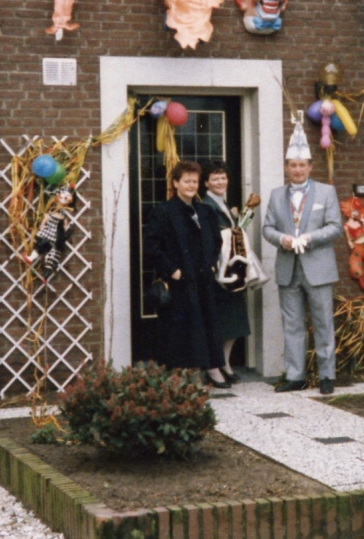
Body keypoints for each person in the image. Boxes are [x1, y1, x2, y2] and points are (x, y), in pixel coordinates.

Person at [262, 120, 342, 394]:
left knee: (323, 322)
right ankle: (296, 376)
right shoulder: (276, 195)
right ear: (287, 167)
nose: (297, 170)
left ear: (310, 166)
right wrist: (282, 239)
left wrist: (309, 237)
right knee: (292, 324)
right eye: (292, 165)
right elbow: (267, 228)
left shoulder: (326, 192)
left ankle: (327, 375)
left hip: (318, 268)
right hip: (288, 268)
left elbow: (335, 227)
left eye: (302, 165)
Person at [143, 160, 229, 388]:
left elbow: (217, 241)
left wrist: (212, 264)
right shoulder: (164, 211)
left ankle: (212, 367)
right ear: (175, 183)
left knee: (207, 323)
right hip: (180, 280)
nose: (191, 185)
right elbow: (151, 246)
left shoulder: (206, 211)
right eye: (187, 181)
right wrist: (172, 270)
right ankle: (184, 376)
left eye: (195, 181)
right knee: (182, 328)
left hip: (203, 279)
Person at [202, 160, 251, 383]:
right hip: (218, 271)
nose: (220, 182)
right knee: (219, 320)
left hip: (232, 268)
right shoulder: (205, 206)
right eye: (215, 178)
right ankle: (214, 366)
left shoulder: (224, 205)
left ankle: (225, 362)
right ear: (206, 183)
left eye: (223, 178)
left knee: (234, 319)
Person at [341, 196, 364, 290]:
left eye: (357, 211)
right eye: (354, 211)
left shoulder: (359, 223)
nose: (355, 213)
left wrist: (363, 223)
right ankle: (360, 280)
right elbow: (348, 238)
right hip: (357, 246)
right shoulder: (346, 226)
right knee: (355, 263)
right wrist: (350, 243)